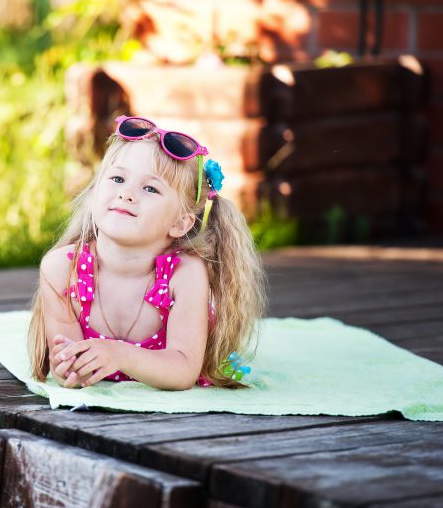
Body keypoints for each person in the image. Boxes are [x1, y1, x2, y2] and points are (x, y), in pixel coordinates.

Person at [27, 116, 266, 390]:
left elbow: (183, 370)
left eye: (150, 188)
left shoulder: (184, 274)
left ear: (180, 223)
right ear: (94, 192)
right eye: (117, 178)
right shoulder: (60, 269)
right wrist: (71, 368)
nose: (126, 194)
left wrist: (119, 355)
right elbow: (66, 368)